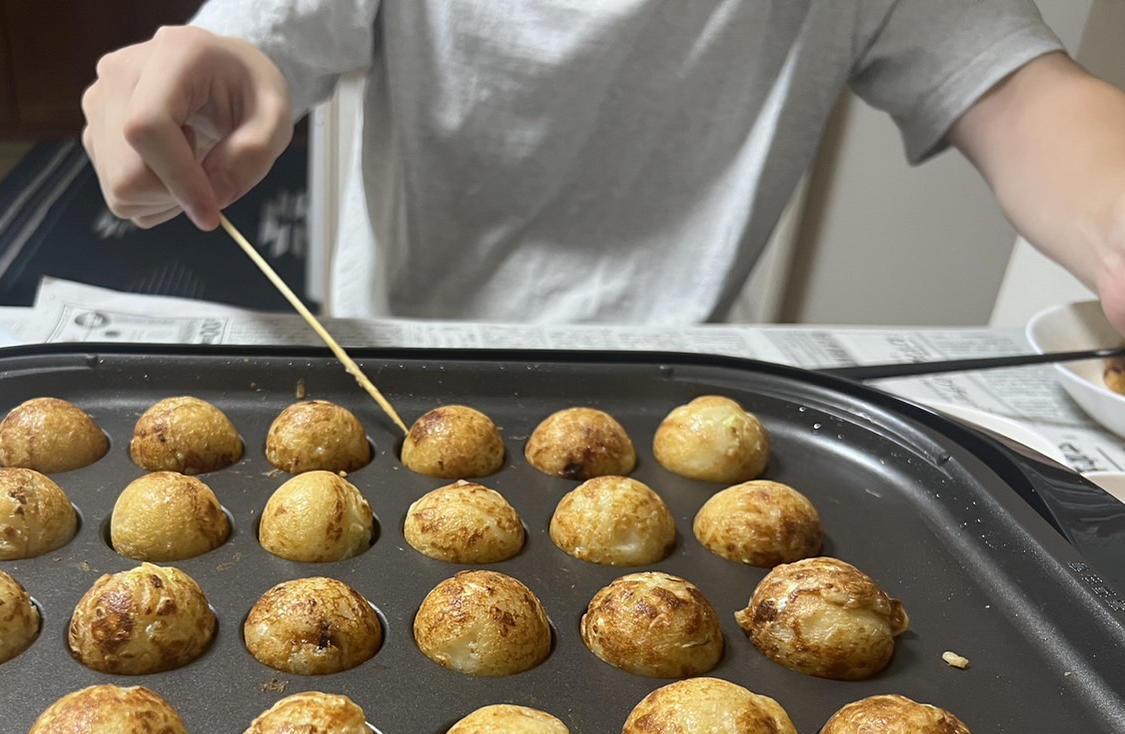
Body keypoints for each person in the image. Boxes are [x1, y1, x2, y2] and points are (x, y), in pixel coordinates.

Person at [81, 1, 1125, 333]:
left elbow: (1029, 99)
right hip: (402, 361)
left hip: (672, 383)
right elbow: (259, 39)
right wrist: (198, 75)